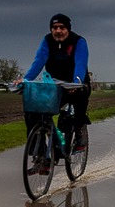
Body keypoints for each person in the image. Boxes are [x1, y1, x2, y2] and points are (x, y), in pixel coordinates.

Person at [17, 13, 89, 170]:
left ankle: (80, 131)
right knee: (34, 113)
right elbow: (39, 61)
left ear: (68, 29)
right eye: (54, 28)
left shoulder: (78, 42)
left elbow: (80, 63)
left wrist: (77, 82)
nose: (58, 31)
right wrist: (26, 80)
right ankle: (41, 156)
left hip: (76, 84)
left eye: (62, 27)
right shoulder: (47, 41)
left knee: (78, 108)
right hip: (54, 85)